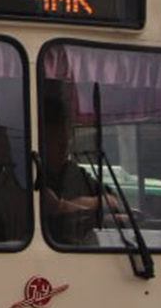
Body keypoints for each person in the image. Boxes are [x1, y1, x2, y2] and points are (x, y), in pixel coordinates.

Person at [37, 95, 128, 243]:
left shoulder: (74, 172)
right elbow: (54, 207)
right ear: (42, 141)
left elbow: (112, 201)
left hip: (81, 246)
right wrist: (92, 204)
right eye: (57, 141)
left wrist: (89, 211)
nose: (64, 148)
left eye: (66, 141)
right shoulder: (33, 174)